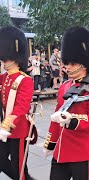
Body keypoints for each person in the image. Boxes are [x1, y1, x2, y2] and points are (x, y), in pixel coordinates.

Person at [43, 26, 89, 180]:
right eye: (67, 63)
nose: (67, 67)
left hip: (82, 151)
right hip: (61, 150)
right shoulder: (66, 86)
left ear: (84, 63)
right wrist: (50, 142)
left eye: (72, 63)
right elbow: (56, 116)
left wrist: (72, 120)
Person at [0, 26, 35, 180]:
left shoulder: (25, 80)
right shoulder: (4, 77)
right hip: (3, 129)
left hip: (18, 129)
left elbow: (21, 106)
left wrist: (7, 123)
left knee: (18, 166)